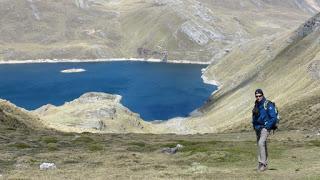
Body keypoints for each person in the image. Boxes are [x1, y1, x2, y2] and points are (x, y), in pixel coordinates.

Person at [252, 89, 277, 172]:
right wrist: (254, 126)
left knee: (261, 143)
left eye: (259, 96)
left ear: (262, 95)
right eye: (256, 96)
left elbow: (273, 117)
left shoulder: (268, 104)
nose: (258, 97)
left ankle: (262, 164)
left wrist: (267, 127)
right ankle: (263, 164)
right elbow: (254, 116)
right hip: (258, 128)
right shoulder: (256, 104)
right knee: (261, 145)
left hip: (265, 127)